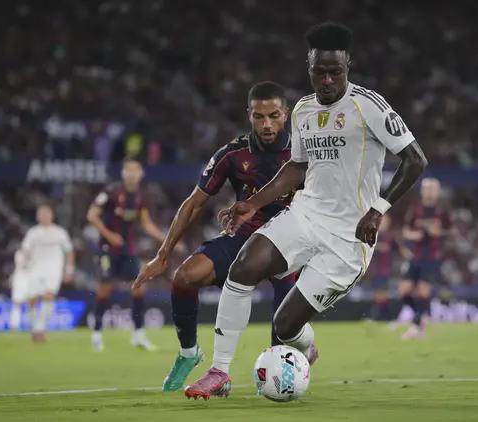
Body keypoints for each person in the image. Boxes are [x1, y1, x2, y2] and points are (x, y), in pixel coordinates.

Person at [181, 22, 427, 400]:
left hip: (349, 237)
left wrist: (378, 209)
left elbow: (415, 160)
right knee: (244, 265)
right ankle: (219, 372)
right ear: (308, 67)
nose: (326, 80)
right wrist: (252, 203)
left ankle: (305, 347)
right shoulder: (303, 110)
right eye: (319, 71)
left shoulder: (370, 106)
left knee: (285, 326)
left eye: (335, 72)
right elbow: (296, 168)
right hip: (307, 215)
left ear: (348, 66)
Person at [132, 81, 297, 392]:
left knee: (285, 338)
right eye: (259, 117)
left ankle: (299, 351)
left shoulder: (304, 152)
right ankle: (189, 353)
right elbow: (194, 203)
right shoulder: (233, 154)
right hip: (245, 239)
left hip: (291, 244)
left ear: (285, 114)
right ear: (249, 115)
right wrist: (163, 254)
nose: (266, 124)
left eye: (273, 116)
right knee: (185, 277)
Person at [87, 159, 166, 351]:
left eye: (135, 171)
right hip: (107, 248)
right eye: (128, 171)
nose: (131, 174)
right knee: (104, 288)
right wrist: (109, 235)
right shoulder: (111, 191)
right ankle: (97, 334)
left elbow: (146, 223)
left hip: (128, 250)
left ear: (140, 174)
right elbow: (92, 215)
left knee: (139, 288)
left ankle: (138, 335)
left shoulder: (140, 197)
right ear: (123, 173)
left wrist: (165, 239)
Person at [399, 177, 450, 339]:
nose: (429, 192)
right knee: (404, 290)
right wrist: (416, 235)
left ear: (438, 191)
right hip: (416, 255)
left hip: (432, 256)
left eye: (432, 189)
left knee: (422, 289)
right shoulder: (415, 209)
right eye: (427, 188)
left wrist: (439, 233)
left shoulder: (442, 211)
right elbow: (406, 231)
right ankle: (422, 316)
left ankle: (415, 327)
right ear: (422, 191)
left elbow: (450, 231)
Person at [16, 205, 75, 341]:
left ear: (51, 215)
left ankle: (40, 329)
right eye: (41, 214)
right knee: (32, 299)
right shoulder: (33, 232)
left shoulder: (60, 232)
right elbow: (25, 249)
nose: (44, 216)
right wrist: (23, 263)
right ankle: (34, 327)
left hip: (54, 269)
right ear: (38, 217)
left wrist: (69, 269)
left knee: (48, 296)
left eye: (46, 214)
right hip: (35, 269)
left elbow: (69, 251)